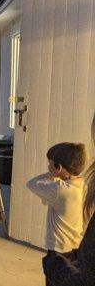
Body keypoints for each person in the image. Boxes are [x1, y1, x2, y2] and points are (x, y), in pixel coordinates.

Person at [43, 115, 95, 285]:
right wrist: (79, 255)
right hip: (72, 251)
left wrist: (55, 267)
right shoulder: (81, 185)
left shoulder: (62, 189)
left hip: (60, 253)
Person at [27, 142, 87, 284]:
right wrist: (57, 173)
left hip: (58, 250)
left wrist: (51, 174)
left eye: (50, 163)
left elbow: (32, 183)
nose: (48, 166)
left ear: (59, 167)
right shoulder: (82, 185)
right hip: (75, 249)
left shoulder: (59, 189)